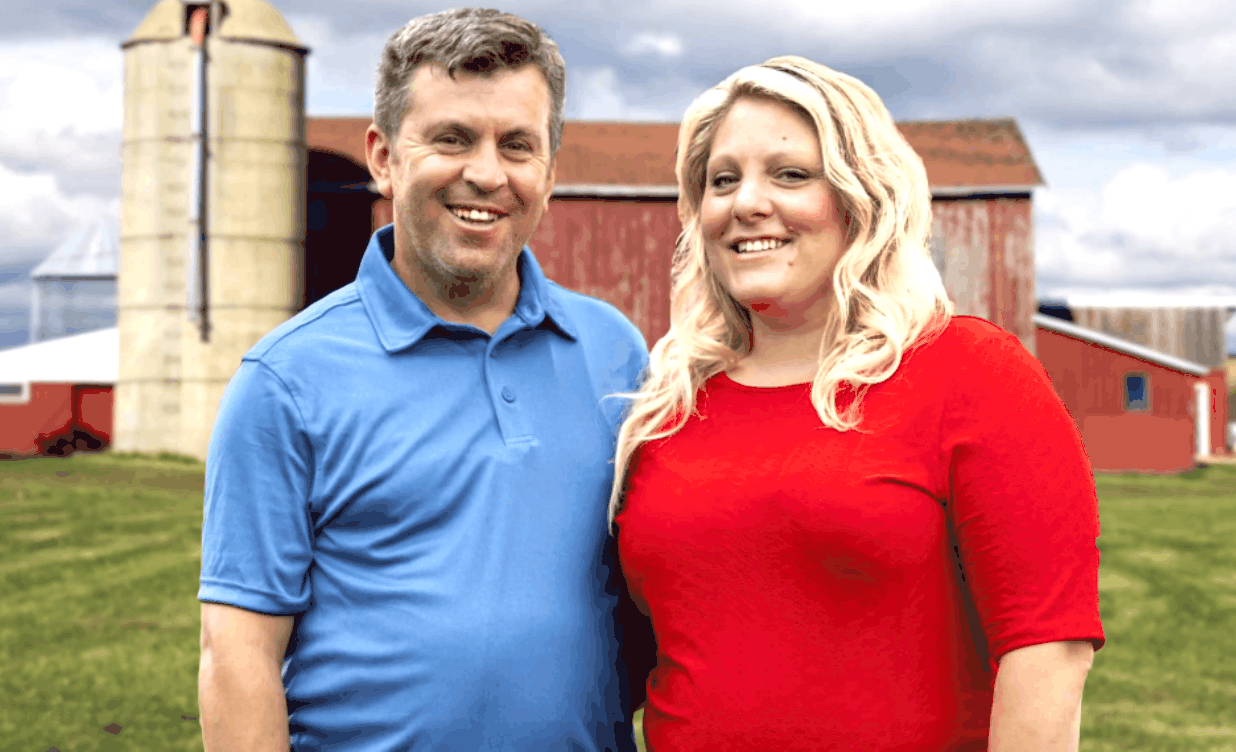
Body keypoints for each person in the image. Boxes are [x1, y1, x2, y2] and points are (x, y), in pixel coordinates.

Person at [610, 56, 1105, 751]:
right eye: (722, 180)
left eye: (789, 175)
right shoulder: (666, 407)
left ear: (862, 195)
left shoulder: (968, 371)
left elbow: (1048, 650)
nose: (746, 202)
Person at [197, 9, 649, 751]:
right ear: (383, 157)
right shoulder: (285, 380)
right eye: (451, 138)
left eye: (518, 146)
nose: (486, 173)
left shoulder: (614, 353)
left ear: (550, 171)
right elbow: (237, 654)